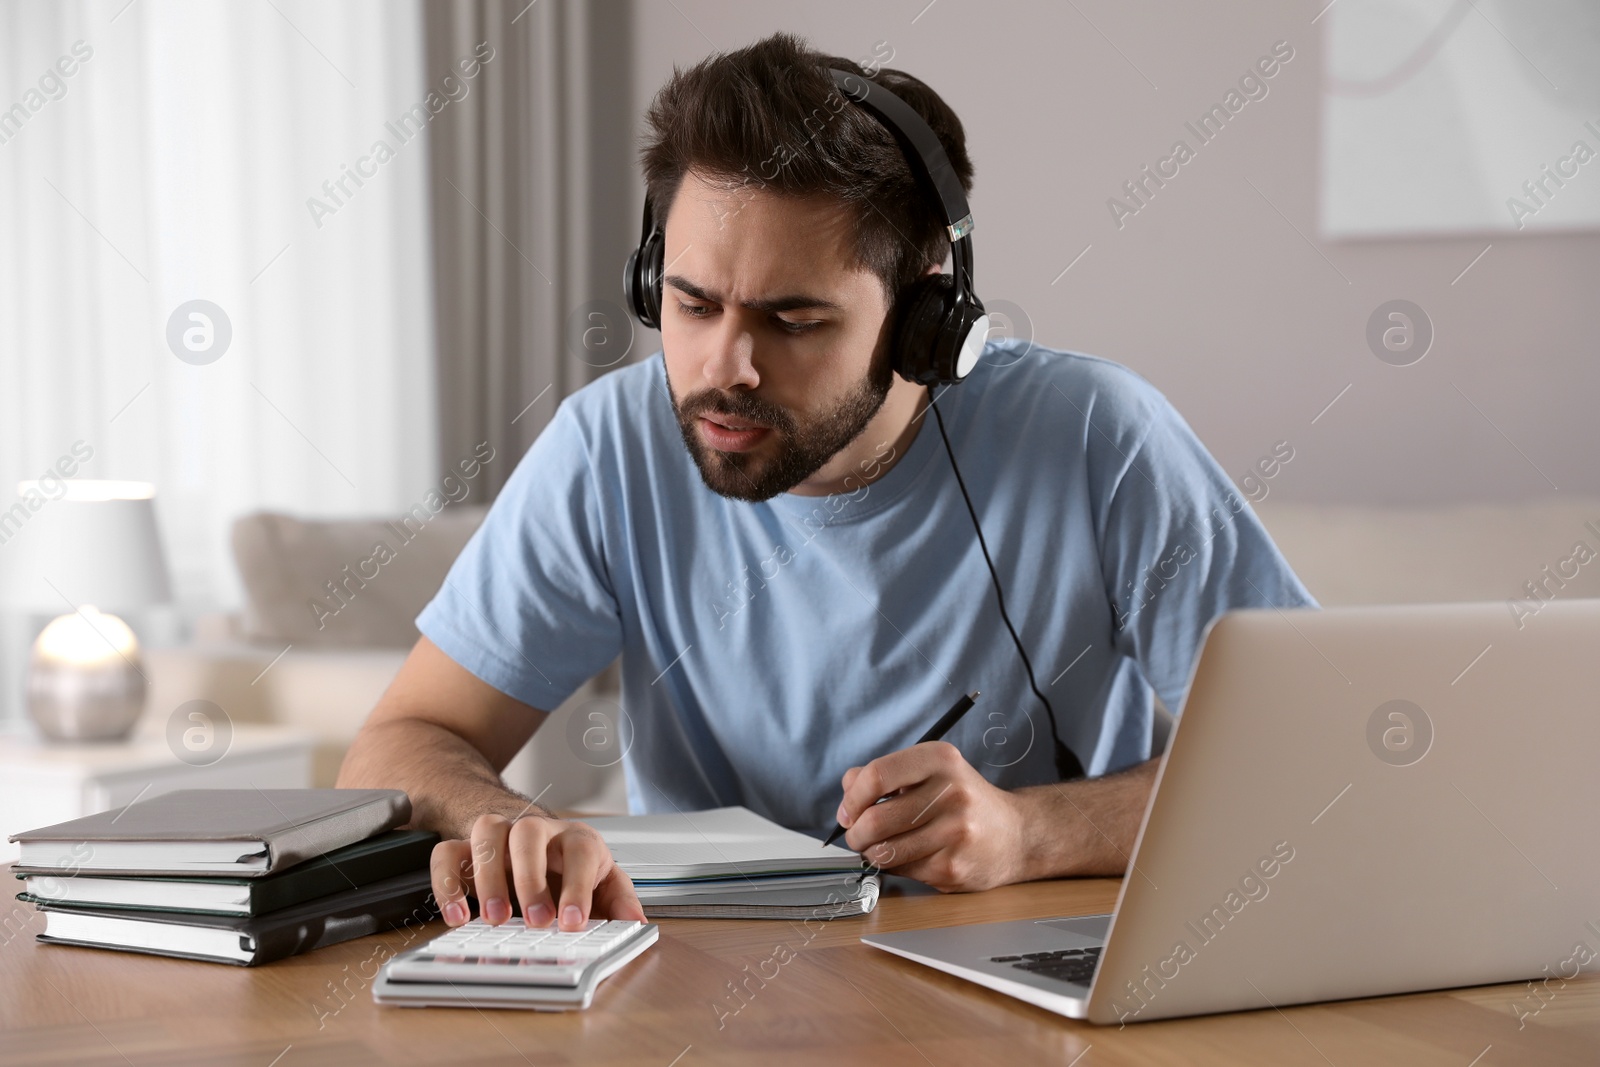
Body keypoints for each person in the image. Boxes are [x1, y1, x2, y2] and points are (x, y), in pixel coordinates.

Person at [337, 31, 1315, 933]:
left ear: (924, 313)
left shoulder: (1100, 436)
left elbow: (1306, 757)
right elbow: (401, 739)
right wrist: (504, 817)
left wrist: (1030, 831)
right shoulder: (607, 447)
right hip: (698, 983)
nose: (726, 366)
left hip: (1015, 964)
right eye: (690, 301)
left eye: (793, 319)